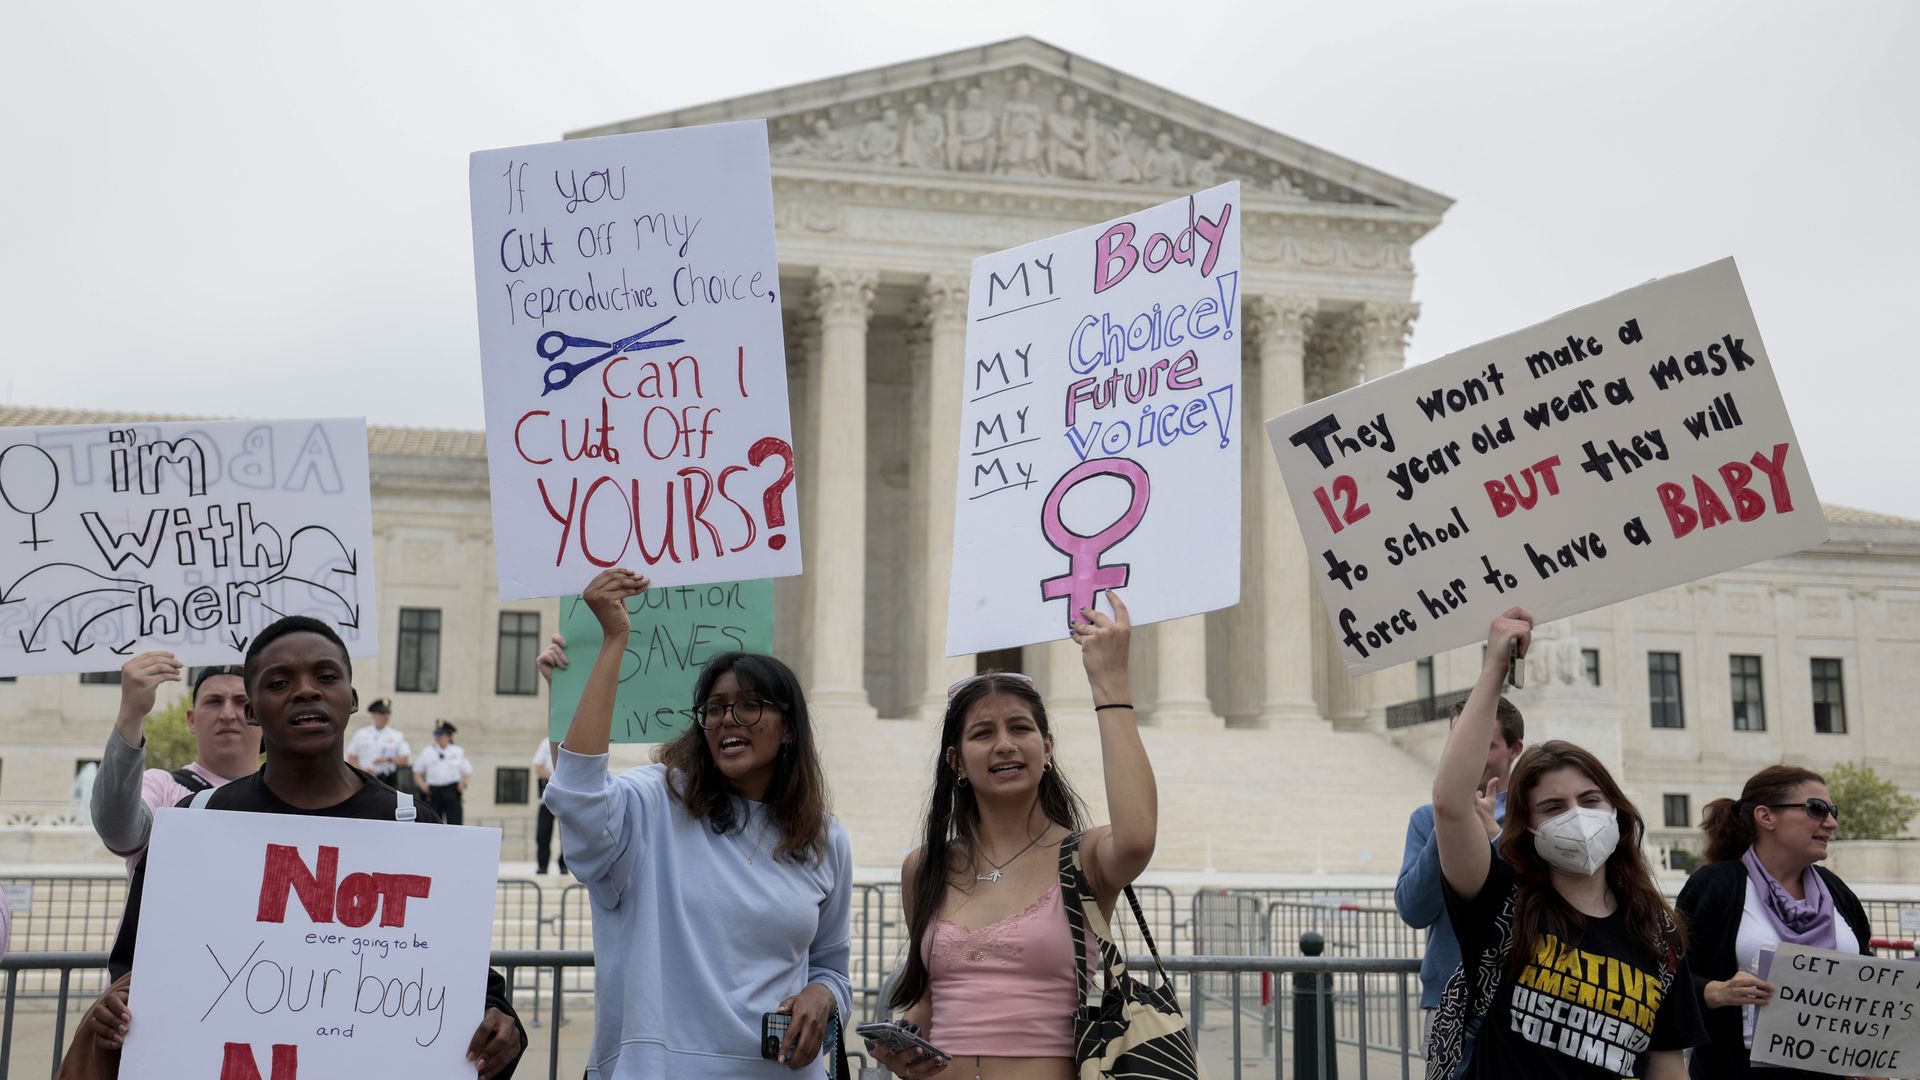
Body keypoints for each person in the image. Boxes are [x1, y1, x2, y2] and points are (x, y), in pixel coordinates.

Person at [75, 615, 525, 1078]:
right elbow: (135, 969)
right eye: (280, 681)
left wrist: (502, 1025)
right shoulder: (195, 821)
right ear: (253, 710)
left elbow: (463, 980)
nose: (306, 690)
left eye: (326, 677)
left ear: (350, 699)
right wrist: (116, 1009)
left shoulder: (413, 827)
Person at [544, 568, 853, 1078]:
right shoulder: (656, 803)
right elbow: (579, 798)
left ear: (790, 731)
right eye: (714, 709)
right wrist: (612, 644)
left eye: (750, 706)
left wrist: (822, 994)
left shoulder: (824, 838)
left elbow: (831, 965)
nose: (727, 719)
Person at [870, 590, 1152, 1080]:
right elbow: (927, 1004)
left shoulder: (1084, 858)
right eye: (982, 733)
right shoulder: (925, 867)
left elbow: (1137, 838)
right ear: (956, 760)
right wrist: (905, 1048)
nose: (1004, 745)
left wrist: (1109, 683)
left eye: (1020, 728)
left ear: (1046, 747)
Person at [1427, 608, 1705, 1079]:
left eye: (1590, 799)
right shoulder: (1502, 900)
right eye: (1554, 807)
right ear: (1528, 826)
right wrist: (1494, 669)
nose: (1577, 815)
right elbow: (1450, 803)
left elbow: (1667, 1065)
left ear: (1615, 809)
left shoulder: (1658, 933)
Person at [1674, 765, 1875, 1078]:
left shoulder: (1837, 891)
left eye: (1831, 810)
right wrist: (1717, 992)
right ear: (1766, 816)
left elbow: (1870, 982)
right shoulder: (1715, 886)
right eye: (1816, 809)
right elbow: (1673, 978)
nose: (1831, 823)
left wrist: (1873, 1058)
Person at [1395, 696, 1523, 1070]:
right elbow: (1414, 910)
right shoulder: (1426, 819)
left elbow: (1537, 897)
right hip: (1451, 998)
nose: (1465, 751)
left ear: (1515, 749)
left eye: (1484, 743)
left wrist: (1496, 836)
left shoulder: (1536, 814)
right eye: (1459, 739)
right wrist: (1448, 820)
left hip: (1527, 993)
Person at [90, 654, 258, 869]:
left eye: (241, 701)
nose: (227, 714)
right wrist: (130, 714)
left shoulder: (287, 799)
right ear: (191, 720)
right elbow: (119, 832)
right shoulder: (161, 788)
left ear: (259, 715)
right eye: (214, 701)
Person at [344, 697, 411, 786]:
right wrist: (362, 770)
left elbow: (405, 760)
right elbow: (351, 758)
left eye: (388, 713)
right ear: (374, 714)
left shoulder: (397, 736)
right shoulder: (361, 734)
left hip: (387, 780)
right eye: (382, 713)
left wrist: (388, 759)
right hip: (364, 778)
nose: (386, 716)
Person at [416, 721, 473, 825]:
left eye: (441, 734)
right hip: (433, 792)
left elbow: (467, 772)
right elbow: (416, 772)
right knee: (433, 823)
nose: (438, 737)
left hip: (451, 791)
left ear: (450, 736)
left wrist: (464, 784)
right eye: (436, 734)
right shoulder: (427, 751)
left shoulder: (458, 751)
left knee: (455, 824)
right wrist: (422, 784)